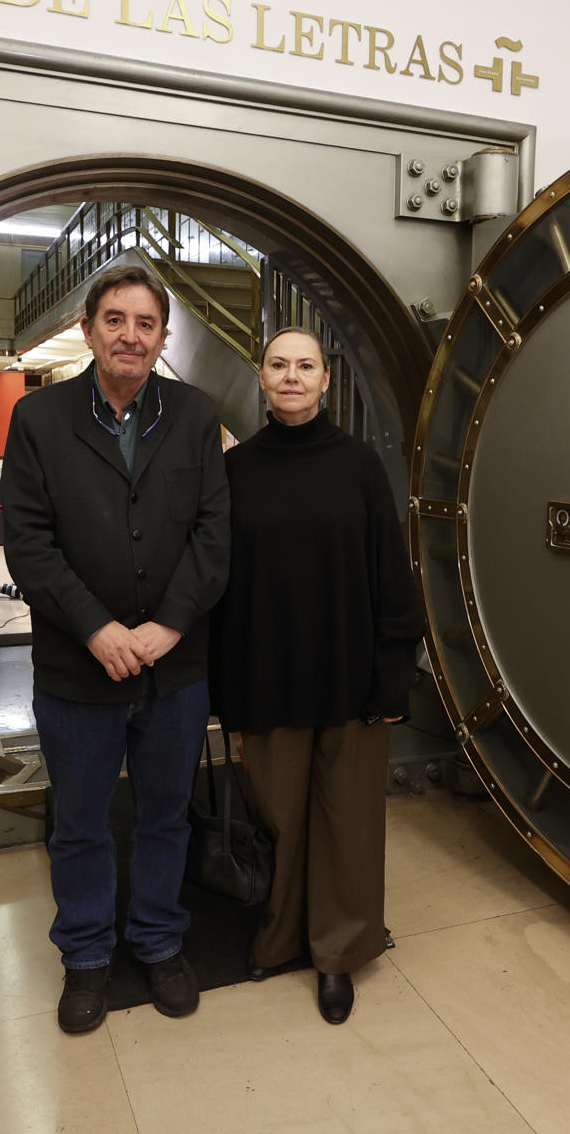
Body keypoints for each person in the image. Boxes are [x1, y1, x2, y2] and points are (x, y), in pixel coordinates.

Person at [2, 263, 230, 1034]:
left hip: (176, 669)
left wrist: (167, 626)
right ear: (89, 327)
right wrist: (97, 627)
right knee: (81, 821)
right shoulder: (39, 421)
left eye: (145, 323)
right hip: (76, 666)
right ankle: (88, 958)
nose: (130, 335)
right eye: (115, 319)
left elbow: (213, 533)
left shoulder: (197, 416)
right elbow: (27, 544)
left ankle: (160, 942)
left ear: (163, 336)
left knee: (167, 815)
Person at [210, 327, 423, 1025]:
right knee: (281, 818)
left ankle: (337, 955)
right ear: (262, 378)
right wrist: (224, 686)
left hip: (352, 678)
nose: (293, 376)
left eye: (306, 366)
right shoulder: (237, 472)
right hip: (268, 677)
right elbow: (222, 587)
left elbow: (392, 577)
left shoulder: (358, 465)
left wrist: (395, 677)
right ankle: (280, 937)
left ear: (326, 380)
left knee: (350, 823)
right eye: (280, 365)